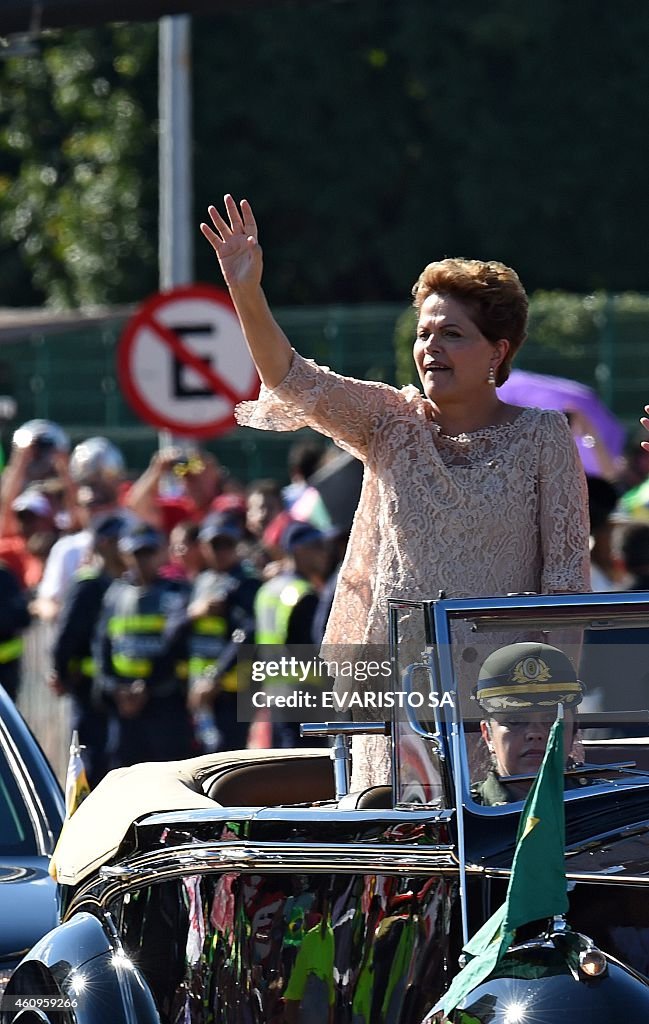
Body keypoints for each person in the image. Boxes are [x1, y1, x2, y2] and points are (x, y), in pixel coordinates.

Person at [200, 196, 591, 788]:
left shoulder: (543, 436)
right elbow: (292, 378)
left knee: (499, 865)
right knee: (404, 866)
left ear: (498, 352)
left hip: (510, 708)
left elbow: (566, 586)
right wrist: (246, 290)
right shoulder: (389, 421)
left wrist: (543, 709)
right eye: (424, 332)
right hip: (399, 704)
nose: (430, 346)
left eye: (452, 333)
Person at [49, 514, 127, 786]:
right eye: (121, 540)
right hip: (89, 689)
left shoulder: (122, 583)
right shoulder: (89, 584)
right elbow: (66, 638)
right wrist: (63, 674)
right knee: (91, 760)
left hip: (113, 688)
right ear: (105, 544)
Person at [472, 641, 586, 805]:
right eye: (515, 721)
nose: (535, 734)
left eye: (551, 721)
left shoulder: (609, 805)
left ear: (574, 729)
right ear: (488, 735)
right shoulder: (463, 816)